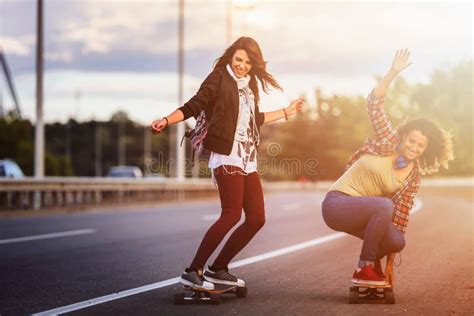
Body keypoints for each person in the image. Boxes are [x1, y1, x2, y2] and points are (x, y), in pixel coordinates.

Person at [151, 37, 304, 290]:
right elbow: (193, 106)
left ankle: (218, 269)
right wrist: (166, 121)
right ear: (230, 58)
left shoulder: (249, 85)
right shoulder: (219, 78)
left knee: (256, 218)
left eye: (247, 62)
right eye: (238, 60)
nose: (242, 66)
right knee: (231, 214)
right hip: (226, 153)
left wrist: (288, 111)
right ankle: (193, 270)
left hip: (247, 156)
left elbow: (256, 119)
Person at [321, 49, 453, 286]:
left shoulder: (412, 178)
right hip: (337, 204)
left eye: (420, 145)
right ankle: (364, 268)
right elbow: (374, 105)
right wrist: (393, 72)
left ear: (426, 149)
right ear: (403, 137)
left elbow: (400, 221)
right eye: (411, 140)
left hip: (365, 213)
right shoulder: (388, 141)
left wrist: (389, 266)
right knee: (385, 205)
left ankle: (372, 269)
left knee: (397, 240)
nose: (413, 147)